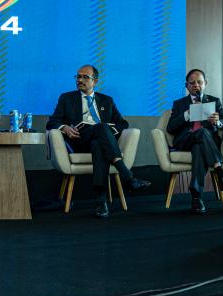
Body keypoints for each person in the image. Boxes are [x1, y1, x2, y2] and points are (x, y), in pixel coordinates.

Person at [46, 65, 151, 218]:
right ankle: (128, 177)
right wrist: (65, 128)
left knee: (99, 143)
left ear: (95, 81)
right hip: (79, 140)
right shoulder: (66, 98)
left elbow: (123, 123)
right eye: (78, 77)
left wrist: (109, 130)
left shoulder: (107, 100)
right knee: (101, 129)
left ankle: (101, 201)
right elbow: (52, 122)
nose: (80, 80)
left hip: (100, 142)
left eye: (85, 77)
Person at [167, 68, 223, 214]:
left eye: (199, 82)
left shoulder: (214, 101)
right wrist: (187, 114)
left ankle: (196, 197)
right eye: (192, 83)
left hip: (204, 143)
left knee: (199, 147)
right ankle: (219, 171)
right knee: (200, 133)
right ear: (186, 86)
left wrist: (218, 123)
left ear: (205, 83)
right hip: (185, 140)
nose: (196, 85)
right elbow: (170, 128)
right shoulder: (179, 104)